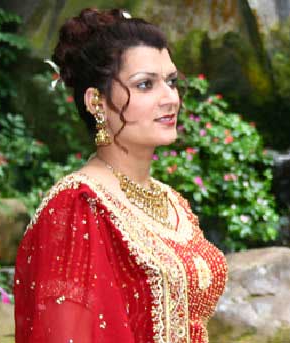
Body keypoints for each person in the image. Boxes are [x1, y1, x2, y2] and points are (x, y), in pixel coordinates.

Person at [13, 8, 227, 343]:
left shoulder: (173, 202)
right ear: (96, 102)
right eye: (145, 85)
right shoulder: (78, 208)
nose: (170, 98)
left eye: (171, 82)